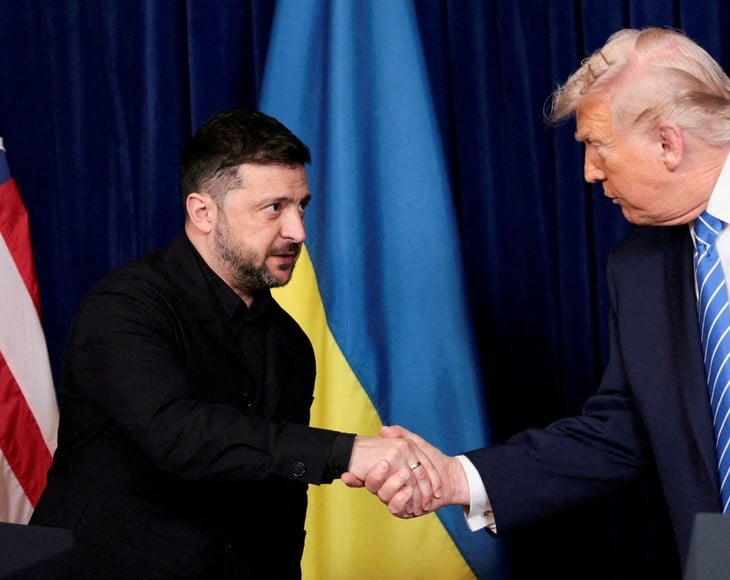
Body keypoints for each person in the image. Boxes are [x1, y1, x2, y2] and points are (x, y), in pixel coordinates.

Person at [351, 26, 730, 571]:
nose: (589, 172)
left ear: (667, 143)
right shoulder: (638, 264)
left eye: (596, 145)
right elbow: (623, 429)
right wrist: (459, 478)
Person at [29, 109, 437, 580]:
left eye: (301, 206)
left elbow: (281, 508)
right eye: (274, 208)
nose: (298, 232)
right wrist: (347, 451)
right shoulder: (124, 307)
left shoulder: (290, 344)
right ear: (203, 212)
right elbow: (180, 434)